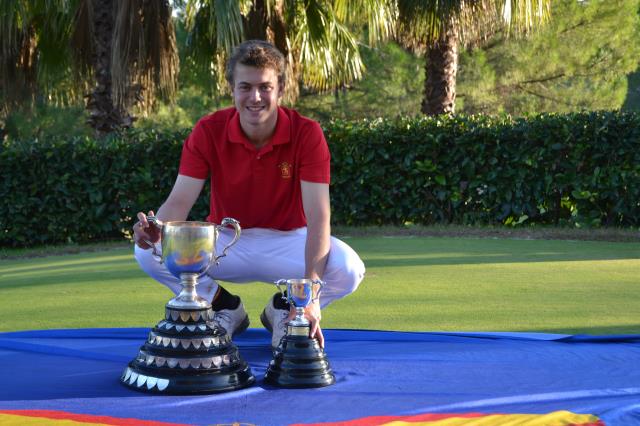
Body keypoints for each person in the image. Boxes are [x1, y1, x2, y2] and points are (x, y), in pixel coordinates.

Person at [132, 39, 365, 350]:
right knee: (148, 251)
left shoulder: (307, 133)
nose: (255, 97)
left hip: (289, 242)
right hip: (227, 241)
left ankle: (286, 308)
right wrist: (154, 229)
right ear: (232, 88)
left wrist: (309, 298)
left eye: (265, 87)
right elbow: (178, 201)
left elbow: (319, 216)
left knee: (349, 269)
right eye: (245, 87)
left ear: (281, 88)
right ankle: (223, 308)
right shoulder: (208, 130)